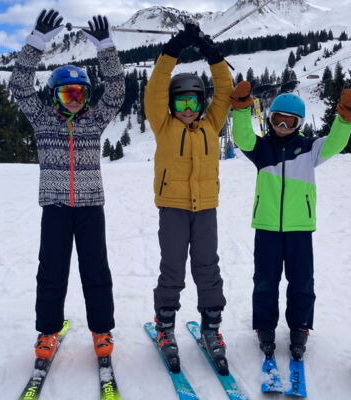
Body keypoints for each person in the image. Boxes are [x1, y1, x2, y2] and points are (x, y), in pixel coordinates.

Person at [9, 10, 125, 361]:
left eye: (79, 93)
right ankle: (48, 331)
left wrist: (105, 48)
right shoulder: (42, 120)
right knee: (52, 273)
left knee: (96, 271)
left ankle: (101, 330)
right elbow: (19, 86)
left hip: (91, 209)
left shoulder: (94, 121)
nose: (73, 99)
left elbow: (116, 91)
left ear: (87, 97)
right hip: (56, 209)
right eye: (66, 93)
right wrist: (36, 43)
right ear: (53, 95)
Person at [229, 81, 351, 360]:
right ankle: (265, 326)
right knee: (265, 280)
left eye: (290, 122)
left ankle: (300, 326)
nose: (283, 127)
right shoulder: (261, 149)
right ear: (270, 118)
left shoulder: (309, 149)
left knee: (301, 281)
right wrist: (240, 109)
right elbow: (242, 137)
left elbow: (335, 142)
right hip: (267, 226)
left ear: (299, 123)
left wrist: (345, 119)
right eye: (278, 120)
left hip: (300, 227)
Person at [144, 22, 233, 375]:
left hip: (206, 209)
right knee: (172, 268)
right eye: (180, 101)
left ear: (201, 102)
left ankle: (211, 326)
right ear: (171, 104)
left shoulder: (212, 123)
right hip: (173, 210)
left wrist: (212, 54)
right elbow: (154, 88)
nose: (186, 107)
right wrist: (172, 51)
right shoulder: (163, 125)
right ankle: (165, 325)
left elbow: (225, 89)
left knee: (208, 268)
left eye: (193, 100)